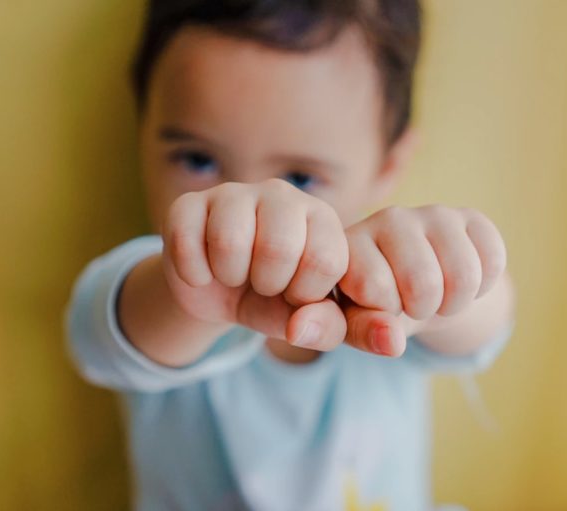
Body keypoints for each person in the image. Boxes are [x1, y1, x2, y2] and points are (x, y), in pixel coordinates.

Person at [65, 1, 515, 509]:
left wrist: (439, 276)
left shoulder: (389, 282)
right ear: (142, 128)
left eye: (300, 178)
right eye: (197, 159)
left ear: (388, 166)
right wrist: (191, 290)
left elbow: (487, 321)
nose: (253, 209)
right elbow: (98, 340)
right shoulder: (154, 282)